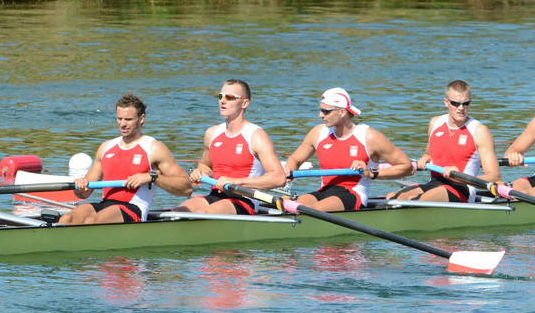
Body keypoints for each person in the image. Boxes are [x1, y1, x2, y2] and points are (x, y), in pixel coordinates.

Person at [60, 93, 191, 225]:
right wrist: (80, 187)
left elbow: (186, 189)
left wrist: (152, 177)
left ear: (141, 118)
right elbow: (83, 195)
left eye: (128, 119)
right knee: (67, 219)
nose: (122, 124)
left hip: (132, 209)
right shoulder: (106, 147)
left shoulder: (154, 148)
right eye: (119, 118)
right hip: (106, 204)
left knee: (93, 221)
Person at [282, 88, 414, 212]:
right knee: (293, 207)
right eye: (321, 110)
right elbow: (295, 159)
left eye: (326, 111)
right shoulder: (318, 133)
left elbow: (406, 167)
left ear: (342, 112)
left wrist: (371, 173)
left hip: (353, 194)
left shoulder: (369, 137)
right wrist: (289, 170)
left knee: (311, 211)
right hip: (325, 190)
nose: (320, 115)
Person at [181, 79, 287, 214]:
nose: (222, 101)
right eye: (220, 96)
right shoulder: (212, 134)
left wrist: (236, 182)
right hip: (215, 195)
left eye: (230, 97)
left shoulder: (256, 136)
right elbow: (205, 165)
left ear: (244, 103)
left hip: (244, 199)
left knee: (203, 214)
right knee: (180, 211)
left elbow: (279, 178)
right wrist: (199, 173)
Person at [391, 80, 501, 202]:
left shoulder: (479, 131)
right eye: (455, 103)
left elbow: (494, 176)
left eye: (466, 104)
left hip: (462, 189)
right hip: (435, 183)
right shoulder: (435, 123)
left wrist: (462, 177)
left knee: (417, 200)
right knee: (394, 197)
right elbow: (428, 153)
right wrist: (425, 158)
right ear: (446, 102)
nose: (461, 108)